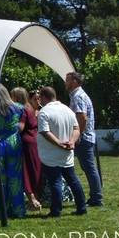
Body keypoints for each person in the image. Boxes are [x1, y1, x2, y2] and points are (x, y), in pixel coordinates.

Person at [36, 86, 87, 217]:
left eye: (40, 97)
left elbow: (44, 132)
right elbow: (76, 128)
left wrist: (59, 143)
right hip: (67, 152)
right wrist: (72, 141)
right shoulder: (68, 110)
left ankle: (56, 210)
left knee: (55, 182)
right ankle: (82, 207)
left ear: (43, 97)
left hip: (51, 154)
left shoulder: (44, 112)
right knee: (73, 180)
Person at [67, 71, 103, 207]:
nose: (66, 82)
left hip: (83, 138)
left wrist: (77, 136)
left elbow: (82, 118)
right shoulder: (78, 95)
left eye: (67, 80)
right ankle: (96, 197)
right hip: (86, 137)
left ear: (75, 81)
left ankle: (96, 198)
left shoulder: (78, 96)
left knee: (89, 167)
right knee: (88, 167)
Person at [0, 85, 27, 219]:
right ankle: (18, 210)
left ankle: (2, 210)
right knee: (15, 178)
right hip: (13, 143)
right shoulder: (18, 107)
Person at [12, 86, 43, 211]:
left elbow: (20, 127)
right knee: (35, 169)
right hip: (35, 142)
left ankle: (32, 200)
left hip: (27, 143)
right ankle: (37, 197)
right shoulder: (31, 109)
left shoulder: (23, 110)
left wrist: (8, 126)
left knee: (27, 171)